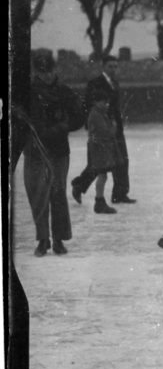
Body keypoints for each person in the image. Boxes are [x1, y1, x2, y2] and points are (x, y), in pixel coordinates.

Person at [21, 50, 86, 256]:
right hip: (35, 151)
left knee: (57, 194)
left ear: (54, 69)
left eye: (49, 71)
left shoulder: (64, 92)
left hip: (58, 151)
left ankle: (58, 239)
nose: (46, 75)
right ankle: (43, 239)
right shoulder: (27, 93)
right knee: (38, 196)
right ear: (35, 72)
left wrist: (63, 125)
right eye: (42, 72)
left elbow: (79, 117)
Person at [71, 53, 135, 205]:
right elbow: (88, 105)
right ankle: (79, 185)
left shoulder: (114, 83)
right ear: (103, 67)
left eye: (115, 66)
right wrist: (93, 126)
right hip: (101, 129)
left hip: (115, 128)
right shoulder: (95, 83)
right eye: (110, 66)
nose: (113, 69)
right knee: (98, 163)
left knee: (121, 160)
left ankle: (120, 194)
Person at [85, 96, 121, 215]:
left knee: (102, 175)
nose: (107, 105)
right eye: (104, 102)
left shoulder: (98, 113)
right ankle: (99, 201)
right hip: (99, 148)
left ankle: (99, 201)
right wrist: (114, 127)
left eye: (107, 102)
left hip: (99, 148)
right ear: (96, 101)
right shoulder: (97, 115)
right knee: (102, 175)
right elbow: (105, 131)